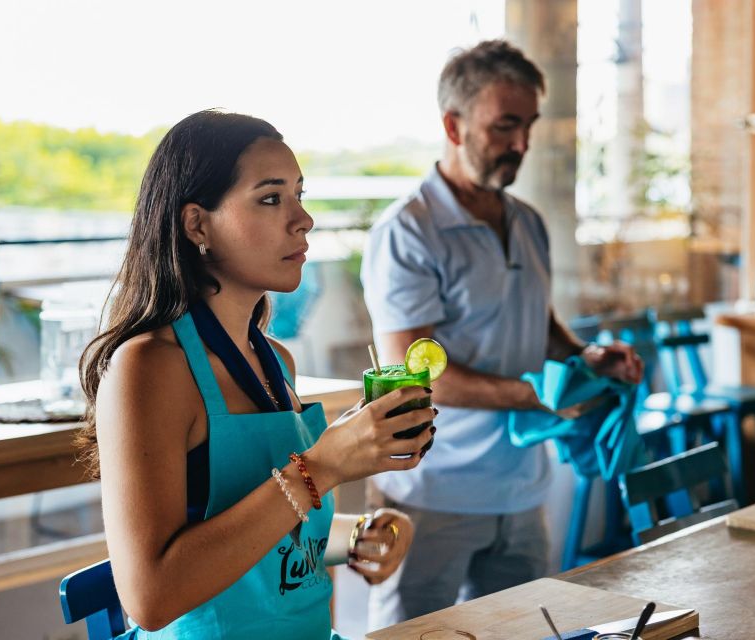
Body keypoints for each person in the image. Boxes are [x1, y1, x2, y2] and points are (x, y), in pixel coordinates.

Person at [77, 110, 433, 639]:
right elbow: (150, 597)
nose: (303, 219)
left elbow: (267, 538)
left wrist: (358, 533)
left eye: (299, 194)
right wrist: (321, 469)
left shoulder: (275, 361)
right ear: (197, 224)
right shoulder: (148, 368)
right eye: (271, 198)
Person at [359, 40, 644, 628]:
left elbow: (534, 320)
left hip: (520, 492)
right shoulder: (408, 232)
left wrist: (586, 358)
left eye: (529, 125)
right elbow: (415, 374)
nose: (522, 144)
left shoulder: (528, 221)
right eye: (505, 126)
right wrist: (534, 396)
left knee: (524, 634)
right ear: (452, 125)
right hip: (430, 493)